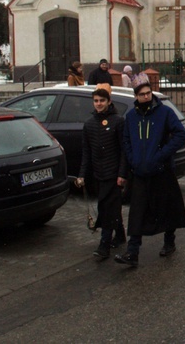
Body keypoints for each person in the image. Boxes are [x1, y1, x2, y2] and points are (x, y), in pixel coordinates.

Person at [115, 76, 185, 267]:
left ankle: (169, 240)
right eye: (142, 94)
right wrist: (133, 160)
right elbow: (126, 142)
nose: (146, 97)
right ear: (136, 96)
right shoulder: (131, 117)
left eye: (148, 93)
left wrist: (162, 154)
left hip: (162, 170)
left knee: (167, 208)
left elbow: (180, 134)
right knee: (137, 212)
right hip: (140, 172)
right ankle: (132, 252)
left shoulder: (164, 112)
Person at [75, 86, 128, 259]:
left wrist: (122, 174)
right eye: (96, 101)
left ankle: (104, 245)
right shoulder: (89, 124)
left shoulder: (118, 121)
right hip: (98, 174)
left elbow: (123, 151)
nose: (99, 104)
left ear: (109, 102)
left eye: (102, 101)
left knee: (105, 207)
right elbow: (86, 152)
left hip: (113, 174)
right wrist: (82, 174)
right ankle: (119, 235)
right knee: (111, 206)